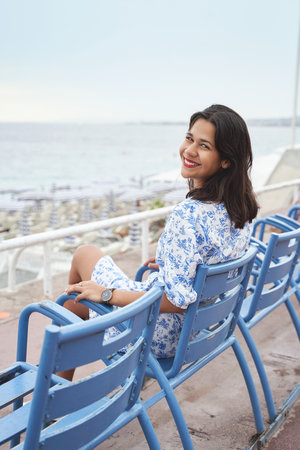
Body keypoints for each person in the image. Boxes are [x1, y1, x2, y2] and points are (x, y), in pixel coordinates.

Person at [61, 104, 258, 380]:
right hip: (195, 330)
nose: (189, 150)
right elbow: (212, 261)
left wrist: (106, 294)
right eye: (189, 138)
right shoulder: (241, 211)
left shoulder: (187, 216)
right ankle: (58, 383)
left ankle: (53, 393)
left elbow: (176, 301)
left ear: (226, 160)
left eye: (204, 146)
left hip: (154, 335)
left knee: (84, 257)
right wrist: (173, 264)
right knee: (77, 302)